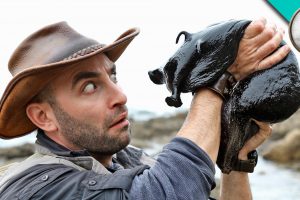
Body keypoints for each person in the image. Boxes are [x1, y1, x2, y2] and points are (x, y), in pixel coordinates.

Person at [0, 18, 289, 200]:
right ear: (43, 117)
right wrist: (217, 75)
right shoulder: (36, 189)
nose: (120, 95)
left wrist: (235, 160)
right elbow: (169, 192)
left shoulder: (131, 160)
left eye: (112, 77)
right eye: (89, 87)